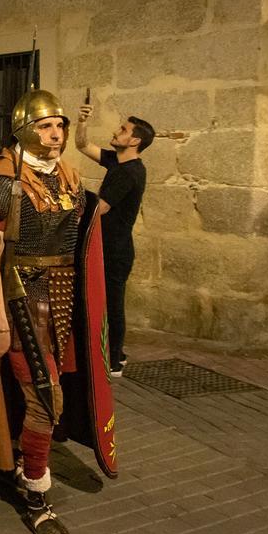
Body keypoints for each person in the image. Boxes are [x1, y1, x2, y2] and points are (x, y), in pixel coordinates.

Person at [0, 86, 98, 534]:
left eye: (60, 124)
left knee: (50, 396)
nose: (57, 133)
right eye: (46, 125)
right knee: (46, 398)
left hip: (64, 302)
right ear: (24, 129)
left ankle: (24, 461)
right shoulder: (1, 184)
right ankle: (37, 495)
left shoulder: (67, 175)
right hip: (22, 300)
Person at [75, 104, 153, 376]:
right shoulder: (116, 161)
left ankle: (115, 359)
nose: (116, 131)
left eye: (123, 130)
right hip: (105, 246)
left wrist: (71, 194)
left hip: (116, 251)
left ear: (134, 141)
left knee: (113, 304)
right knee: (104, 301)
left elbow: (102, 208)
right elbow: (82, 145)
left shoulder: (130, 172)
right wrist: (82, 120)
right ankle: (110, 352)